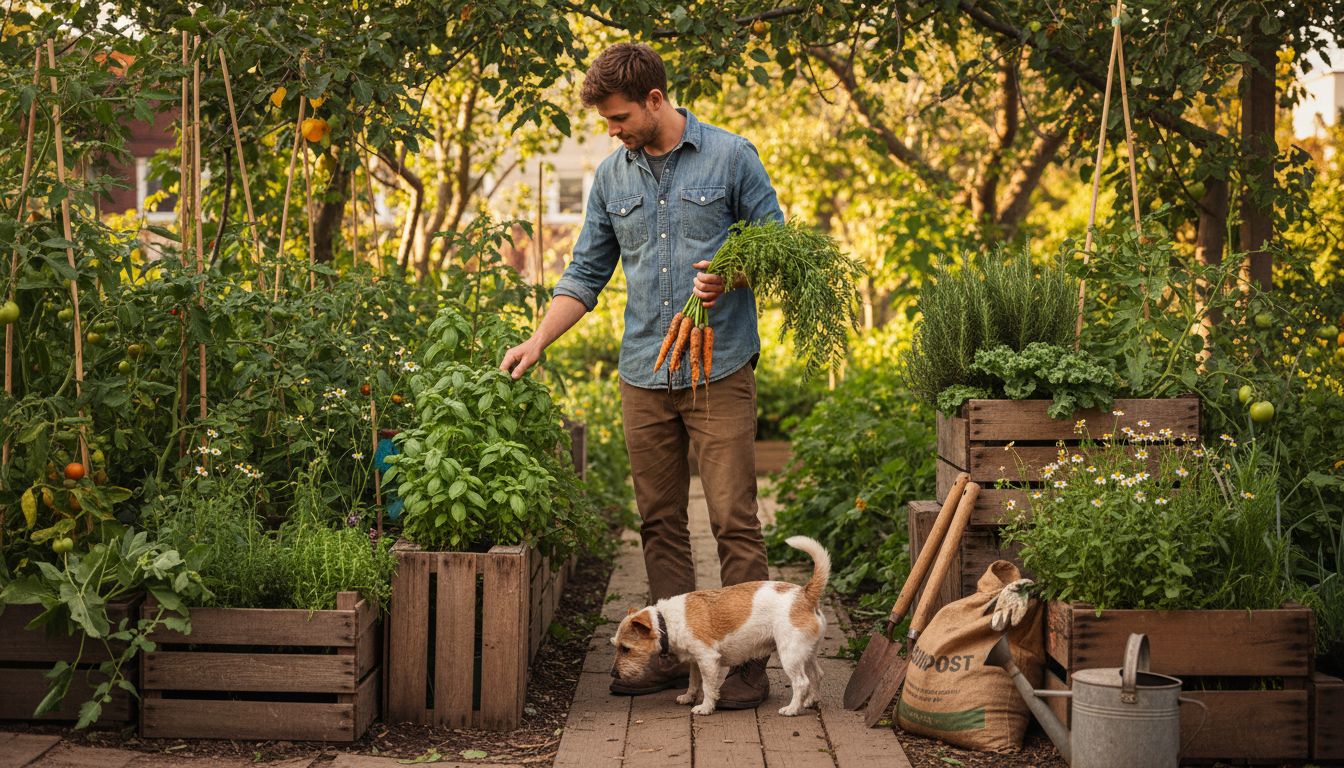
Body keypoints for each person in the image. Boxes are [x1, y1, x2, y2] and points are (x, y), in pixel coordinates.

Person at [500, 42, 783, 709]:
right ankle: (668, 654)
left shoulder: (731, 156)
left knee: (733, 519)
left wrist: (734, 273)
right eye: (607, 121)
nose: (613, 130)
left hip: (720, 368)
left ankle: (746, 666)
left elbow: (777, 247)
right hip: (643, 372)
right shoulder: (612, 177)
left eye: (621, 117)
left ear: (656, 100)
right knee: (658, 521)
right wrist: (538, 340)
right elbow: (586, 273)